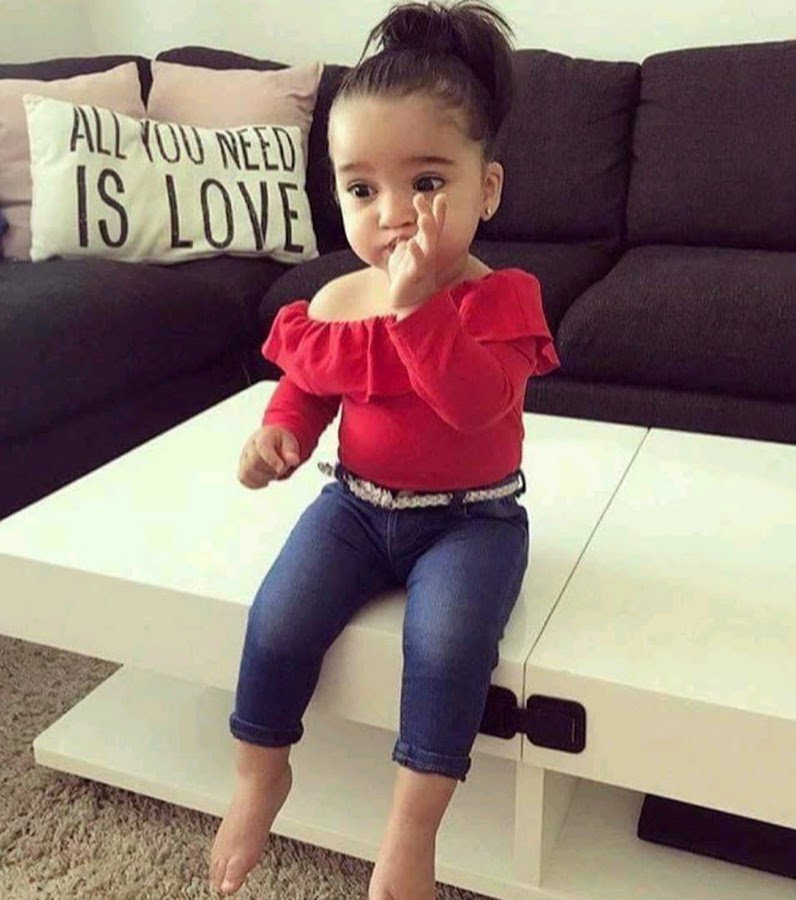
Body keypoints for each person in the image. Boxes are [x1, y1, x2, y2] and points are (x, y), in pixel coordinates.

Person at [209, 2, 559, 896]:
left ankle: (410, 831)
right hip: (357, 507)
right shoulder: (338, 299)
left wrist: (420, 313)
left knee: (446, 648)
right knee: (277, 619)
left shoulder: (504, 300)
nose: (396, 215)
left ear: (487, 189)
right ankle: (258, 774)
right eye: (363, 190)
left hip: (472, 521)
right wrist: (282, 432)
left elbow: (477, 407)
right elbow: (313, 384)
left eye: (428, 182)